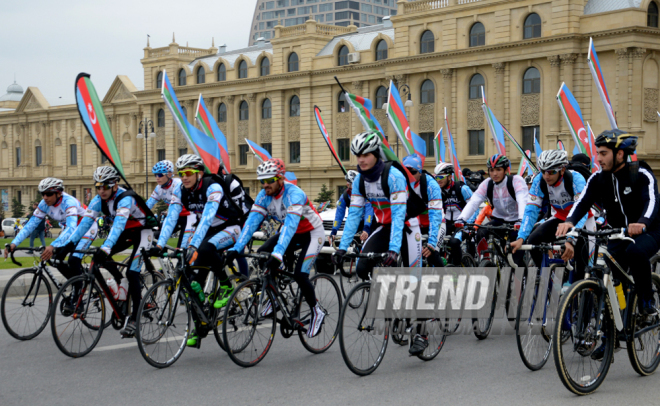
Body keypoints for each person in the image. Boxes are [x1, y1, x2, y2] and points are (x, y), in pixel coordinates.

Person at [331, 132, 424, 354]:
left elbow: (400, 214)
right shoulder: (359, 180)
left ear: (375, 154)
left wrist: (393, 249)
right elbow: (354, 215)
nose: (361, 159)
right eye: (357, 155)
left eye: (365, 155)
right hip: (384, 227)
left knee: (413, 279)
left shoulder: (393, 176)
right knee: (363, 267)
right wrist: (342, 247)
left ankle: (421, 332)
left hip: (408, 227)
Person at [557, 130, 660, 320]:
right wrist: (569, 222)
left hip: (649, 230)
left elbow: (652, 201)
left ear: (620, 154)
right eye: (598, 153)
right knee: (608, 272)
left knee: (635, 253)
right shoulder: (598, 178)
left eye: (603, 153)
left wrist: (642, 223)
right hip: (617, 233)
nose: (599, 158)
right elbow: (582, 203)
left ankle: (647, 301)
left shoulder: (640, 173)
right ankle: (612, 328)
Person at [225, 158, 326, 338]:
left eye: (269, 180)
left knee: (300, 274)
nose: (265, 185)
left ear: (280, 178)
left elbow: (290, 226)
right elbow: (251, 222)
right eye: (261, 181)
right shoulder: (264, 196)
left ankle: (317, 311)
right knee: (263, 253)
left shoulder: (294, 194)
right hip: (292, 233)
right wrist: (237, 247)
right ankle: (275, 298)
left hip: (311, 233)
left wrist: (278, 253)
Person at [153, 155, 248, 347]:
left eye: (189, 173)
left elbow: (206, 218)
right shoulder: (181, 191)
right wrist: (159, 245)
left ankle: (226, 285)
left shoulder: (212, 187)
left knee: (205, 248)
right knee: (192, 280)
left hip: (232, 227)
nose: (185, 177)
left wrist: (194, 245)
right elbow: (171, 218)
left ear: (199, 173)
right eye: (181, 173)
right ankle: (201, 325)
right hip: (210, 230)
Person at [63, 167, 153, 338]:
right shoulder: (98, 200)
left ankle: (135, 317)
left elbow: (118, 225)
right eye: (98, 187)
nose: (101, 190)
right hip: (126, 233)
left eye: (105, 186)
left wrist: (106, 247)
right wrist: (68, 245)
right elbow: (85, 224)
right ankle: (121, 284)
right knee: (100, 258)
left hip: (142, 232)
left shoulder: (125, 199)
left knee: (132, 271)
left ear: (115, 185)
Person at [4, 178, 98, 308]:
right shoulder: (43, 204)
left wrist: (53, 245)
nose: (45, 197)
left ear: (58, 193)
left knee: (73, 260)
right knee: (55, 258)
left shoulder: (68, 202)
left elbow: (71, 228)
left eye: (48, 194)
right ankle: (77, 280)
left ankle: (78, 290)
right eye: (43, 194)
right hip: (70, 230)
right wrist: (14, 243)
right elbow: (30, 225)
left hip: (87, 228)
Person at [511, 150, 593, 279]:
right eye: (543, 171)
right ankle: (549, 280)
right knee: (533, 239)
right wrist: (521, 237)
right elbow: (531, 210)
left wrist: (571, 239)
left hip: (582, 220)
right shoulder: (539, 180)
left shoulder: (576, 179)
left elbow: (581, 209)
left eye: (551, 172)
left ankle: (584, 291)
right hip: (560, 218)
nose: (546, 176)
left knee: (582, 269)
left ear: (562, 169)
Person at [455, 154, 529, 266]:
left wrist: (521, 219)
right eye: (491, 170)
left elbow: (522, 200)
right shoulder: (487, 184)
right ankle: (486, 260)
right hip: (499, 220)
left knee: (514, 262)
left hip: (517, 222)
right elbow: (474, 202)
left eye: (498, 170)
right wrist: (461, 219)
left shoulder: (516, 181)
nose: (494, 174)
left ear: (506, 170)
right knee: (481, 232)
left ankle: (520, 277)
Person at [403, 154, 445, 266]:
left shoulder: (431, 185)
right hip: (416, 225)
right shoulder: (400, 183)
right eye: (406, 172)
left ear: (420, 172)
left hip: (436, 223)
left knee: (431, 253)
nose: (409, 175)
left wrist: (431, 243)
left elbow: (435, 216)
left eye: (413, 172)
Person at [146, 160, 196, 248]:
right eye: (155, 175)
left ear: (169, 174)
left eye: (160, 175)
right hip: (174, 216)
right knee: (156, 236)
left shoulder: (178, 184)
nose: (157, 177)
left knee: (182, 248)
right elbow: (148, 205)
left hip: (189, 216)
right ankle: (164, 255)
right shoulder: (158, 188)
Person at [434, 162, 475, 265]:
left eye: (441, 177)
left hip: (462, 223)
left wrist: (468, 223)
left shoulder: (462, 188)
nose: (438, 180)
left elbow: (474, 208)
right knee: (434, 242)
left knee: (454, 242)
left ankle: (456, 270)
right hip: (447, 223)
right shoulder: (438, 191)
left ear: (450, 176)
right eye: (436, 177)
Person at [328, 170, 373, 246]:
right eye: (348, 183)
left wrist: (366, 229)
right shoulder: (345, 196)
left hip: (368, 223)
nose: (347, 184)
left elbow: (369, 212)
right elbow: (339, 215)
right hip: (354, 222)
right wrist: (334, 231)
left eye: (349, 183)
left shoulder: (366, 194)